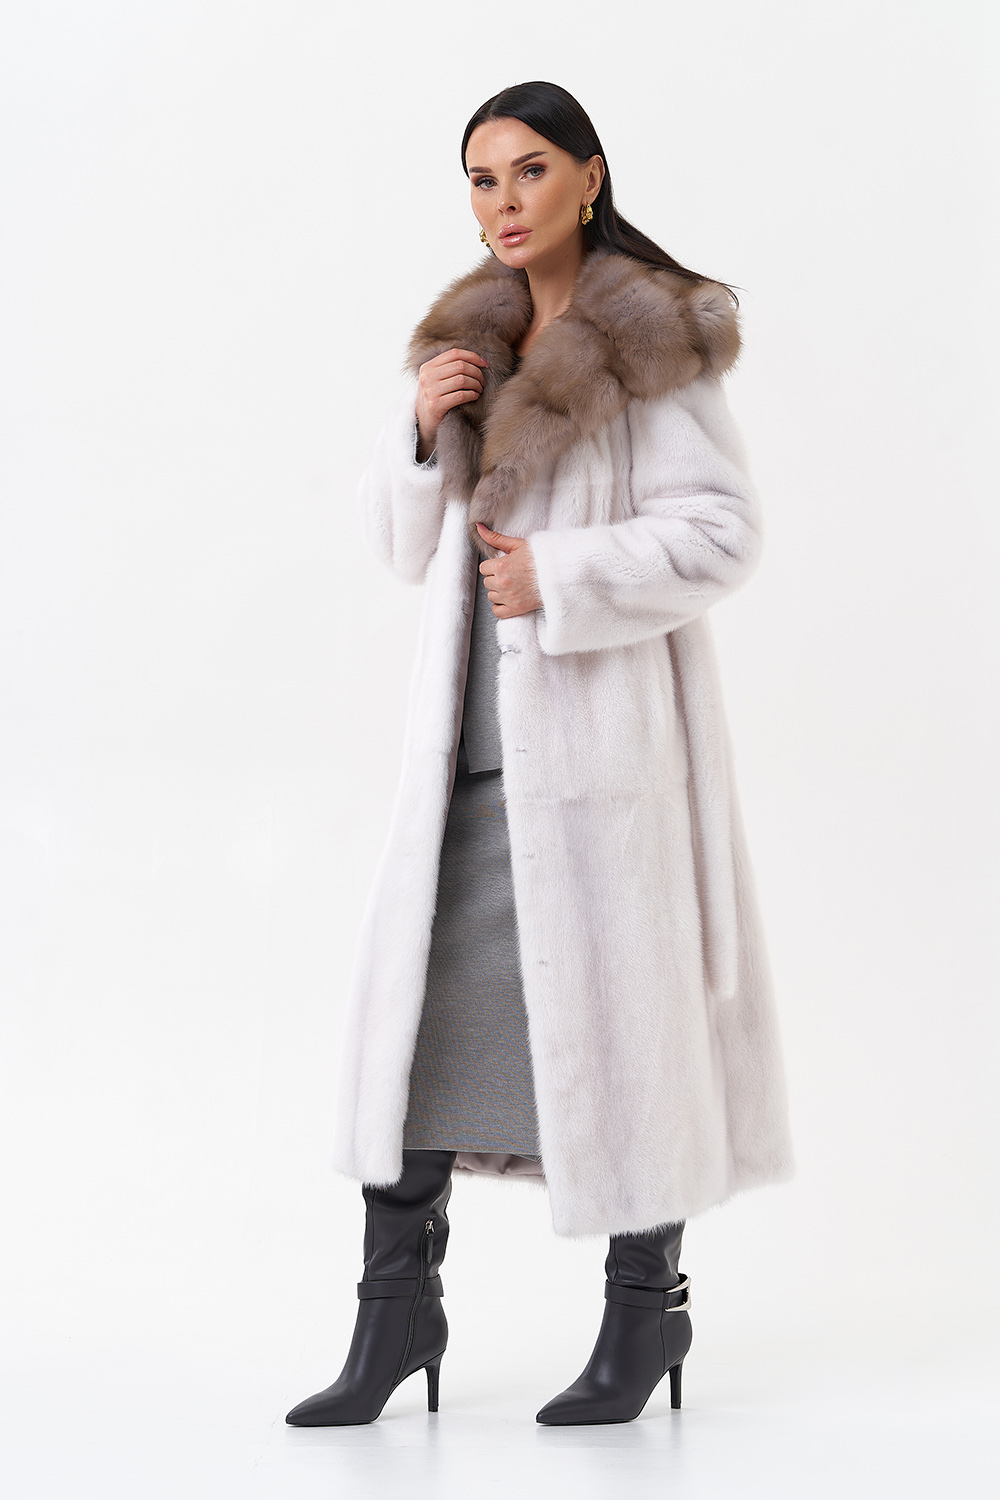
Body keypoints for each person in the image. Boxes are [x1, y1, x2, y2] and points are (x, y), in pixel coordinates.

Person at [286, 80, 794, 1429]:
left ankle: (647, 1314)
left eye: (528, 171)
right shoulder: (471, 346)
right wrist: (417, 429)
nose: (503, 202)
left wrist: (560, 576)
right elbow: (403, 549)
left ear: (589, 176)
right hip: (463, 763)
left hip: (602, 769)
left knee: (632, 1040)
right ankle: (396, 1317)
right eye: (480, 178)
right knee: (412, 1042)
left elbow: (724, 533)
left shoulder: (648, 347)